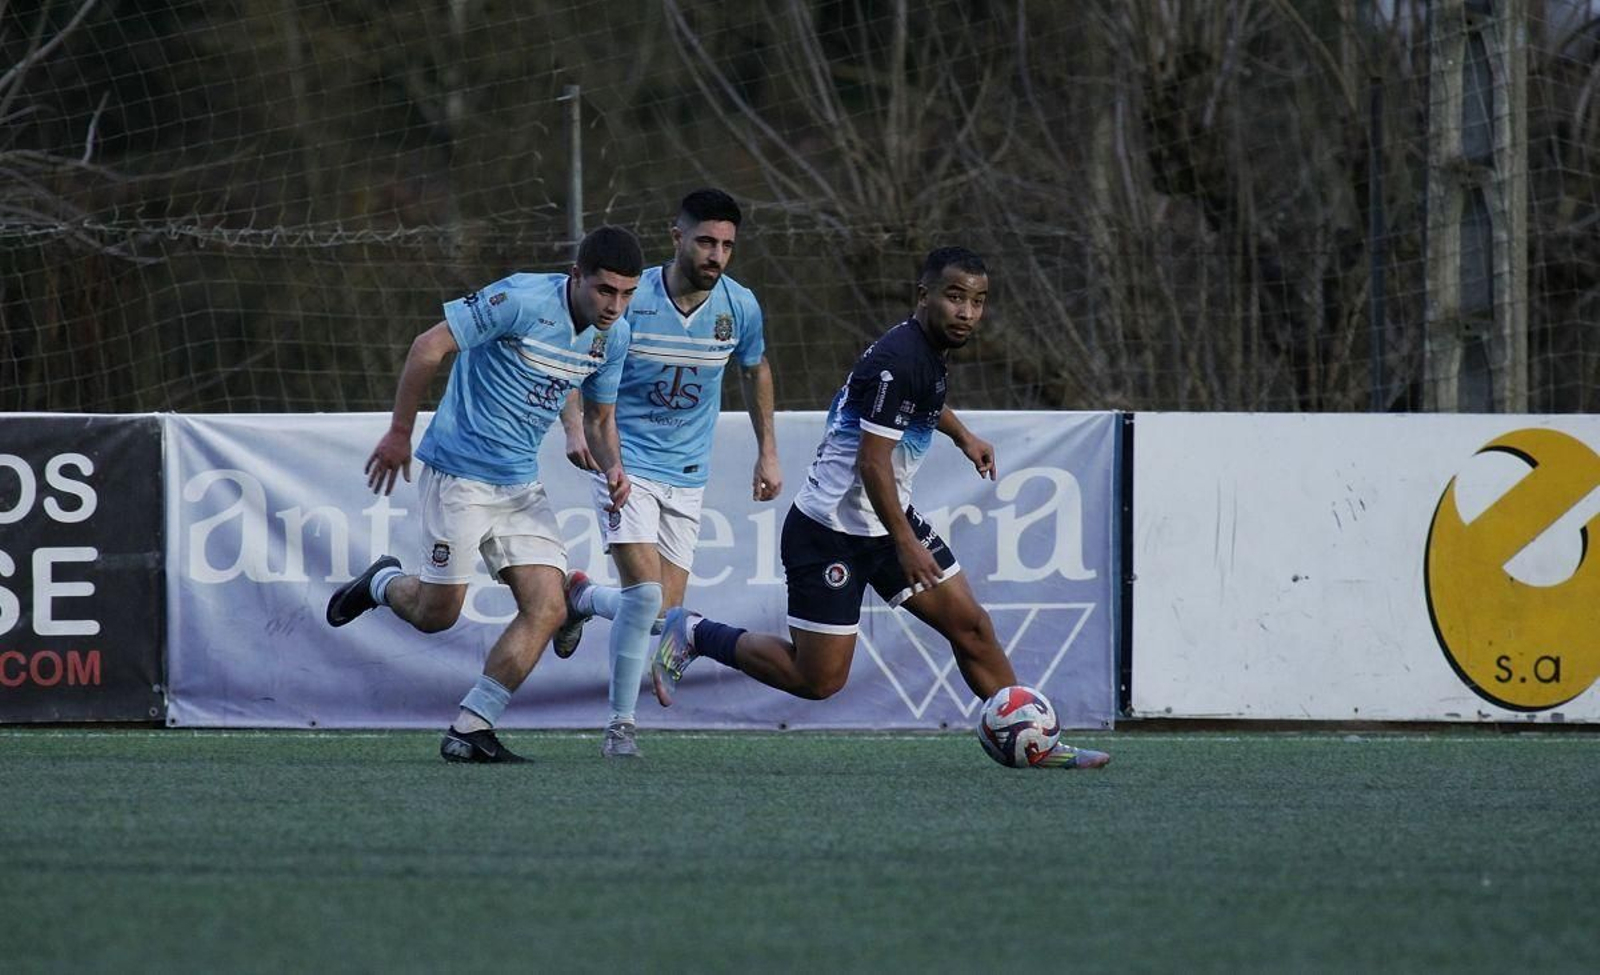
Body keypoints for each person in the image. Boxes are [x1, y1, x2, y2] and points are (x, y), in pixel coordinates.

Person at [649, 246, 1109, 769]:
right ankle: (693, 631)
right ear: (924, 296)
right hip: (830, 532)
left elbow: (924, 403)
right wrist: (908, 544)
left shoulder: (927, 352)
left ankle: (1034, 740)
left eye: (978, 302)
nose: (967, 312)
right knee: (817, 679)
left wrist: (962, 436)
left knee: (972, 627)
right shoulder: (900, 359)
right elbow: (872, 464)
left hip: (884, 523)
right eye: (955, 297)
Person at [324, 226, 645, 764]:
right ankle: (381, 582)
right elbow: (428, 347)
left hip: (520, 485)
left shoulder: (613, 336)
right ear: (576, 276)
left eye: (627, 293)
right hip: (459, 478)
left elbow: (600, 417)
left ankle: (471, 728)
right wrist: (400, 432)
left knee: (546, 607)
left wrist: (615, 467)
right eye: (605, 290)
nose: (615, 305)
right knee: (435, 615)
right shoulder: (518, 300)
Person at [555, 189, 781, 759]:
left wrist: (768, 451)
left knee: (660, 618)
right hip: (624, 463)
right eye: (706, 241)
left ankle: (581, 598)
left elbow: (755, 370)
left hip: (688, 472)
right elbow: (575, 358)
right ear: (676, 238)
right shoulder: (632, 298)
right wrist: (575, 428)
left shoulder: (740, 307)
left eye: (727, 245)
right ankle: (619, 726)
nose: (717, 255)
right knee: (647, 595)